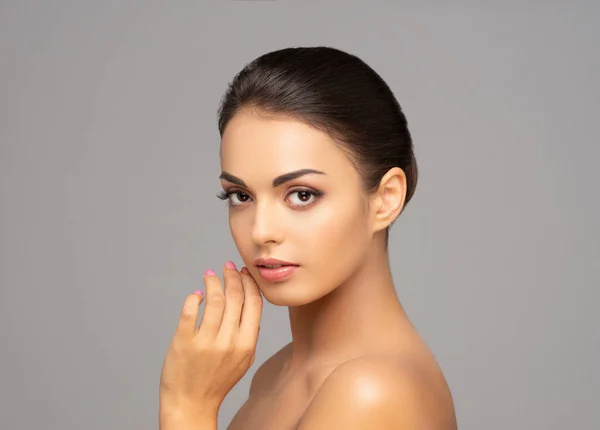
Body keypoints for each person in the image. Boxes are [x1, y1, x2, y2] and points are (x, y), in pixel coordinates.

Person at [159, 46, 458, 430]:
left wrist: (187, 407)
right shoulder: (276, 373)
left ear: (386, 199)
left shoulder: (372, 392)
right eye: (241, 196)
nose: (261, 231)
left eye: (302, 195)